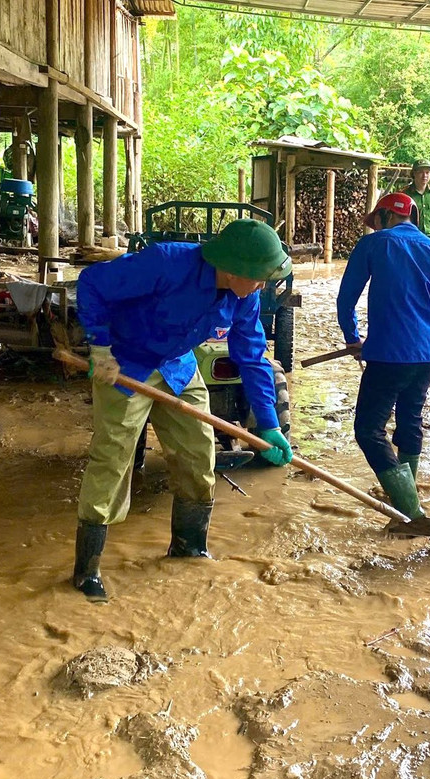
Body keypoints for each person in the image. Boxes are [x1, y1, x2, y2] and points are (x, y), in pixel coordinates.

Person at [72, 219, 294, 601]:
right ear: (232, 268)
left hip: (178, 366)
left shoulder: (244, 296)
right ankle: (86, 571)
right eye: (259, 277)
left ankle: (189, 549)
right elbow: (92, 283)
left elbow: (252, 356)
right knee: (112, 460)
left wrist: (269, 425)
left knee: (198, 453)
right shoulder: (166, 263)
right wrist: (100, 347)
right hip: (126, 366)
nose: (262, 286)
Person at [338, 192, 430, 516]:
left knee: (368, 430)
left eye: (377, 221)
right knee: (410, 421)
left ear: (384, 216)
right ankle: (409, 500)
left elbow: (346, 299)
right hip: (427, 354)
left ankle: (411, 512)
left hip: (387, 354)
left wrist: (353, 338)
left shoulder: (374, 244)